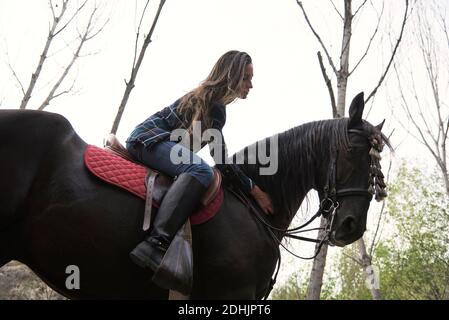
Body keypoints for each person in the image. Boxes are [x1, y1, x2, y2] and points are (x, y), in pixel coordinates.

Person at [125, 50, 274, 290]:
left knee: (196, 169)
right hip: (148, 140)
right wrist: (254, 190)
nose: (251, 85)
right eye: (247, 78)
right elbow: (221, 159)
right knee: (201, 171)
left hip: (162, 146)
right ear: (232, 76)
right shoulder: (211, 102)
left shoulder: (216, 105)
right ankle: (156, 243)